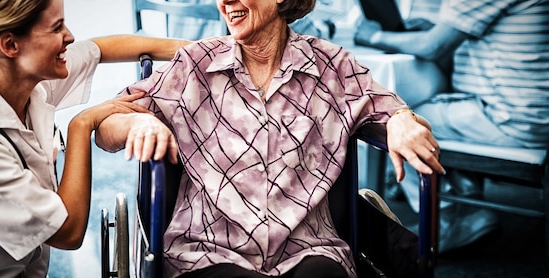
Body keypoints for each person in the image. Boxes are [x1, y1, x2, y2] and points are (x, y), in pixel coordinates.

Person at [95, 0, 445, 277]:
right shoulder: (195, 65)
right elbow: (106, 126)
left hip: (309, 249)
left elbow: (389, 106)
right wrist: (136, 125)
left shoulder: (331, 66)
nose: (225, 1)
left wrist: (401, 118)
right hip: (208, 250)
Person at [0, 0, 190, 276]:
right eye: (56, 27)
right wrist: (81, 126)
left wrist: (200, 49)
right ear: (10, 45)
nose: (70, 36)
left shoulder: (26, 82)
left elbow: (100, 49)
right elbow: (68, 233)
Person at [354, 0, 549, 253]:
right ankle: (470, 210)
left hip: (509, 118)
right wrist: (440, 27)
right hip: (530, 113)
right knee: (424, 114)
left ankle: (449, 218)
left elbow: (433, 46)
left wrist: (374, 36)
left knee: (400, 124)